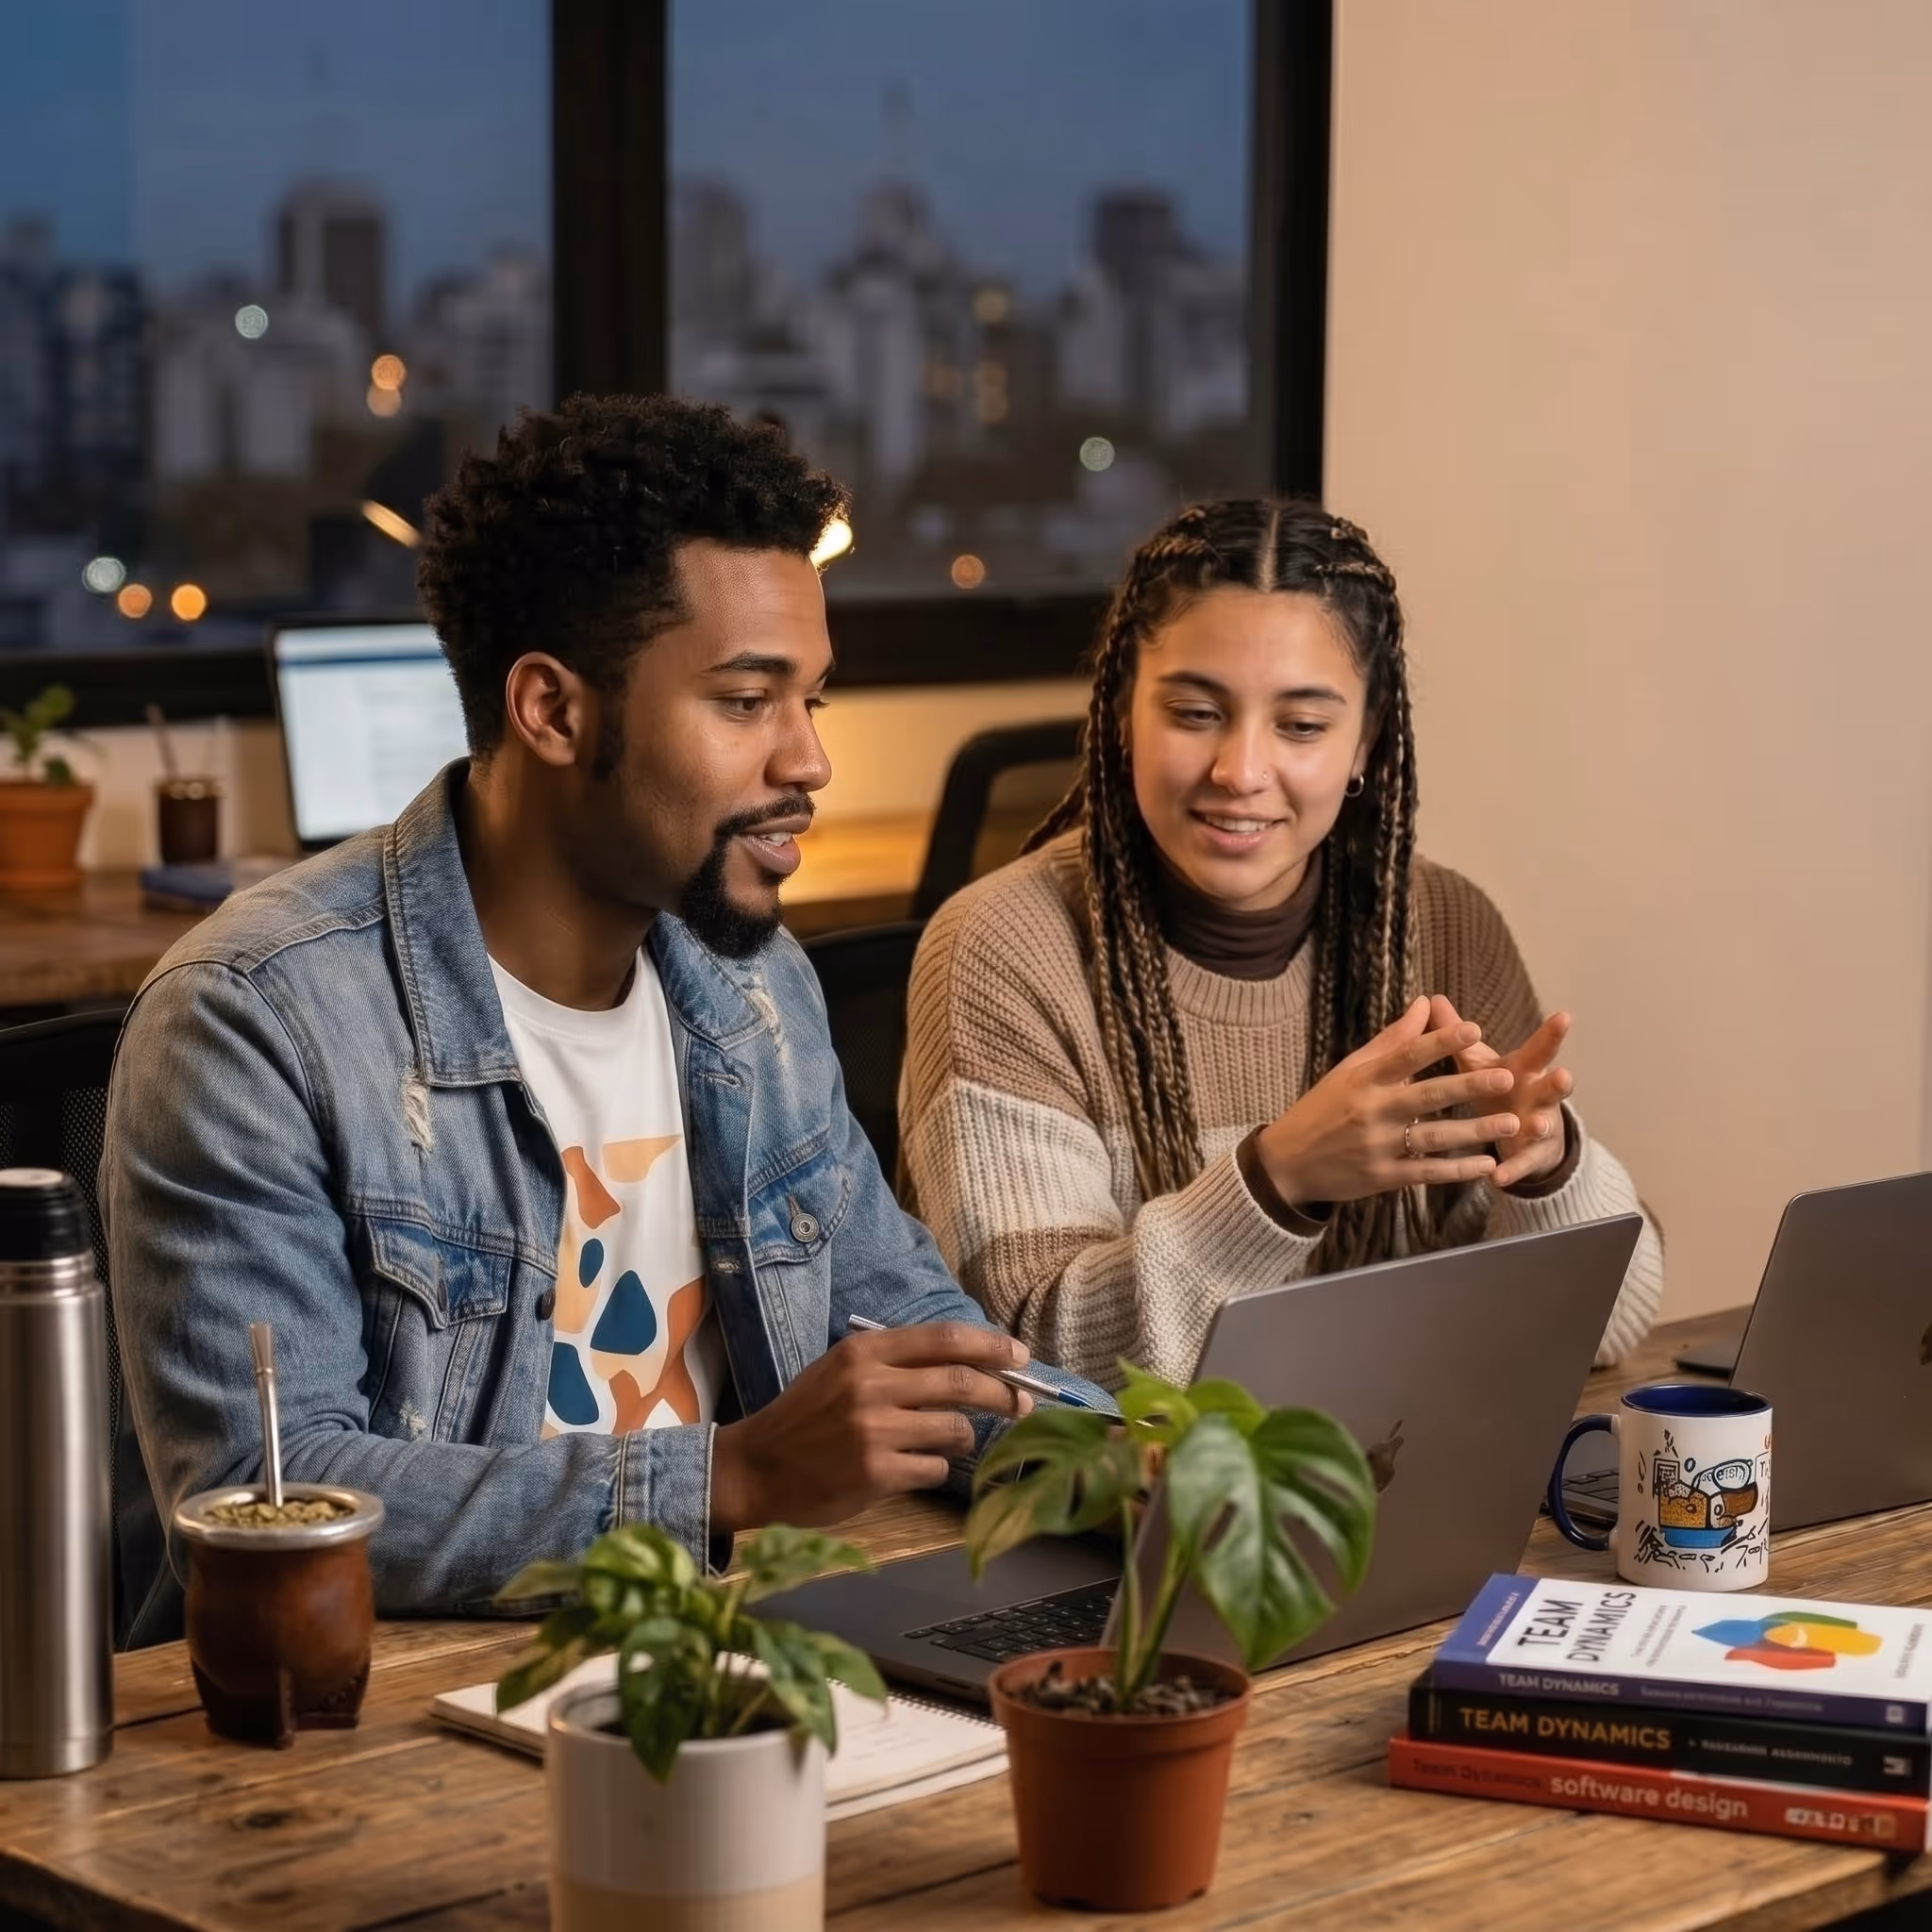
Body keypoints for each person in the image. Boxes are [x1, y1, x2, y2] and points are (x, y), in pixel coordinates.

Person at [104, 394, 1102, 1647]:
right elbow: (266, 1497)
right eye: (747, 702)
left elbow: (922, 1344)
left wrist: (1166, 1470)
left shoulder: (752, 988)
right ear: (555, 710)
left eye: (814, 703)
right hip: (367, 1725)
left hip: (712, 1659)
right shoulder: (253, 1025)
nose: (808, 762)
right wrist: (731, 1480)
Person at [900, 499, 1661, 1389]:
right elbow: (1026, 1363)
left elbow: (1612, 1326)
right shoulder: (1000, 948)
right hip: (1128, 1516)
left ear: (1365, 744)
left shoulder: (1441, 927)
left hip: (1387, 1489)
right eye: (1193, 713)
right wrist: (1277, 1179)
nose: (1241, 771)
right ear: (1119, 713)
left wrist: (1549, 1173)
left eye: (1301, 726)